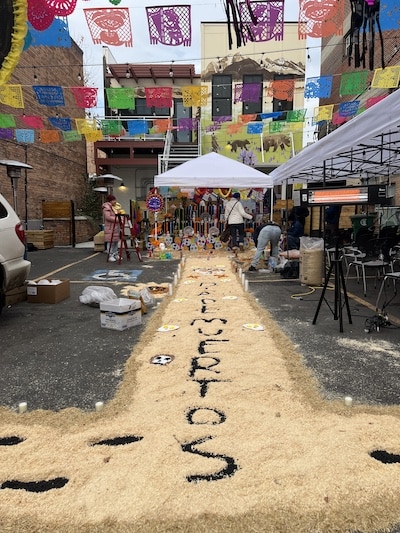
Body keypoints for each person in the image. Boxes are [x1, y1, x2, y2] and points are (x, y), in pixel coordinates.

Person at [102, 194, 120, 262]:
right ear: (110, 201)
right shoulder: (107, 208)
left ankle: (115, 254)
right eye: (113, 200)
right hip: (110, 228)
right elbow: (108, 217)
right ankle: (110, 255)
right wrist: (118, 219)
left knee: (115, 241)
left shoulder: (114, 207)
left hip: (115, 227)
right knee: (110, 242)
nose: (115, 201)